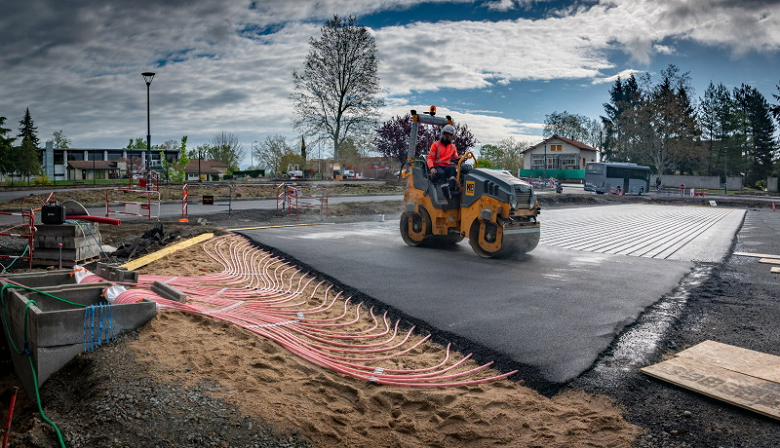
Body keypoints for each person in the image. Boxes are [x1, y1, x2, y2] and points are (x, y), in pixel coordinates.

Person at [427, 124, 459, 199]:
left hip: (447, 166)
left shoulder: (452, 147)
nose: (449, 136)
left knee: (452, 169)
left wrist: (460, 161)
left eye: (451, 135)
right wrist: (431, 168)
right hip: (437, 167)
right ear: (443, 134)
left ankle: (452, 190)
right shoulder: (435, 145)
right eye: (447, 134)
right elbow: (430, 158)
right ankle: (446, 194)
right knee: (442, 173)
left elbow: (455, 158)